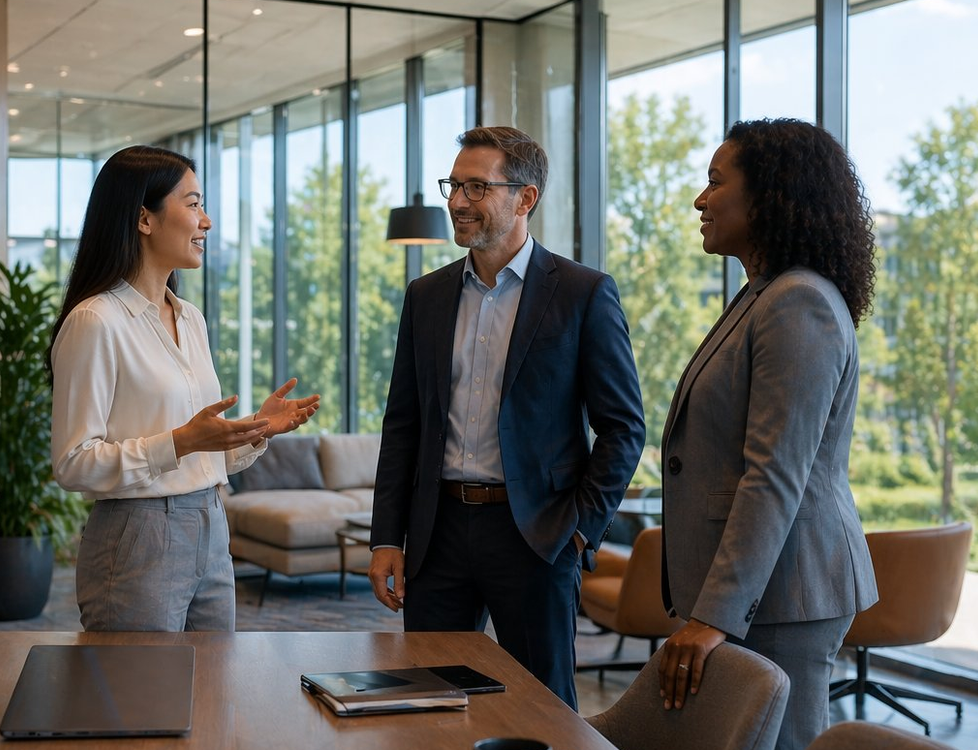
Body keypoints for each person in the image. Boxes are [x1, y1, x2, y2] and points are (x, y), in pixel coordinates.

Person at [367, 126, 647, 709]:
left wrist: (578, 530)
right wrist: (386, 537)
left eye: (477, 187)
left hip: (536, 537)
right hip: (436, 534)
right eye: (454, 185)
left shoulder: (582, 293)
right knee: (430, 700)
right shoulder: (426, 295)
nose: (458, 202)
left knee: (540, 707)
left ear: (525, 198)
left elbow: (623, 427)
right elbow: (404, 426)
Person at [655, 118, 880, 749]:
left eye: (715, 182)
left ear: (769, 194)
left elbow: (774, 474)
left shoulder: (797, 301)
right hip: (764, 589)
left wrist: (712, 618)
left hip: (787, 593)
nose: (700, 200)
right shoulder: (764, 294)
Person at [50, 146, 319, 633]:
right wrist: (180, 442)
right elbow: (73, 463)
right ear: (144, 220)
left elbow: (198, 451)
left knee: (214, 695)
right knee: (140, 701)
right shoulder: (96, 321)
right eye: (193, 204)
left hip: (212, 522)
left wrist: (255, 431)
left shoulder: (190, 319)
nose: (207, 221)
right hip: (138, 534)